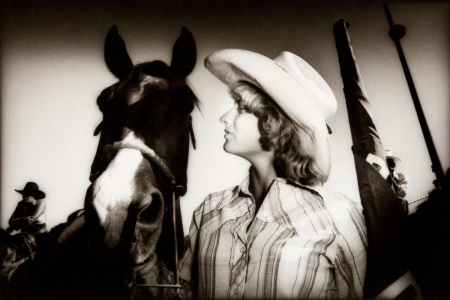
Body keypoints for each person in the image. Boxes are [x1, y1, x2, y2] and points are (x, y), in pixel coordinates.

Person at [143, 49, 368, 299]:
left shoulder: (339, 216)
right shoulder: (210, 210)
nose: (224, 118)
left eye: (241, 108)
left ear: (276, 123)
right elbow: (183, 293)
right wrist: (140, 255)